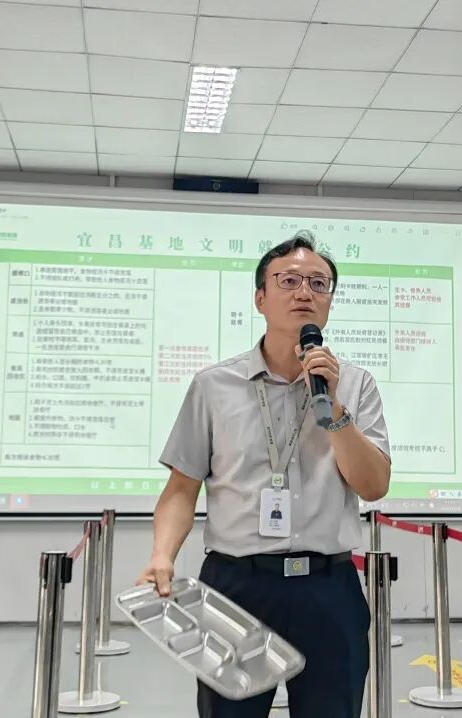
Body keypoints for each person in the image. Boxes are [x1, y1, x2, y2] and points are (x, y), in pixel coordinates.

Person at [138, 230, 391, 718]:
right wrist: (161, 555)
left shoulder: (356, 385)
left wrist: (335, 410)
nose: (304, 292)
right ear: (260, 298)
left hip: (328, 588)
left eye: (318, 283)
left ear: (329, 301)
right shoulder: (214, 386)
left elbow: (374, 485)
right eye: (289, 280)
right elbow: (182, 488)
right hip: (237, 587)